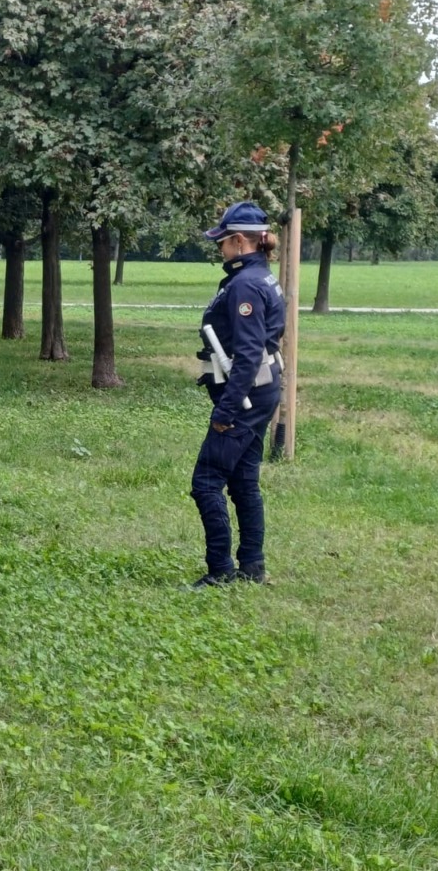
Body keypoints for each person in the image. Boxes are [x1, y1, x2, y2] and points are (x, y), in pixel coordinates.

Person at [189, 201, 286, 588]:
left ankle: (220, 571)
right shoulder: (260, 276)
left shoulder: (246, 284)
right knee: (244, 480)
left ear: (242, 241)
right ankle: (252, 565)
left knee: (206, 481)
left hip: (247, 395)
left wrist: (226, 410)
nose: (220, 248)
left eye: (224, 241)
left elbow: (246, 354)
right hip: (262, 390)